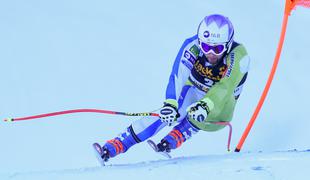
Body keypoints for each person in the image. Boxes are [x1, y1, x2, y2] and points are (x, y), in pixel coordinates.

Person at [93, 14, 250, 163]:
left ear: (228, 44)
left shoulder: (240, 56)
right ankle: (115, 146)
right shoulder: (192, 45)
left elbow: (225, 87)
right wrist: (170, 103)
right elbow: (178, 75)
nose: (210, 53)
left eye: (217, 49)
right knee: (168, 113)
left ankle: (180, 133)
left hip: (220, 109)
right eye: (206, 46)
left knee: (202, 108)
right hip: (194, 91)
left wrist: (206, 104)